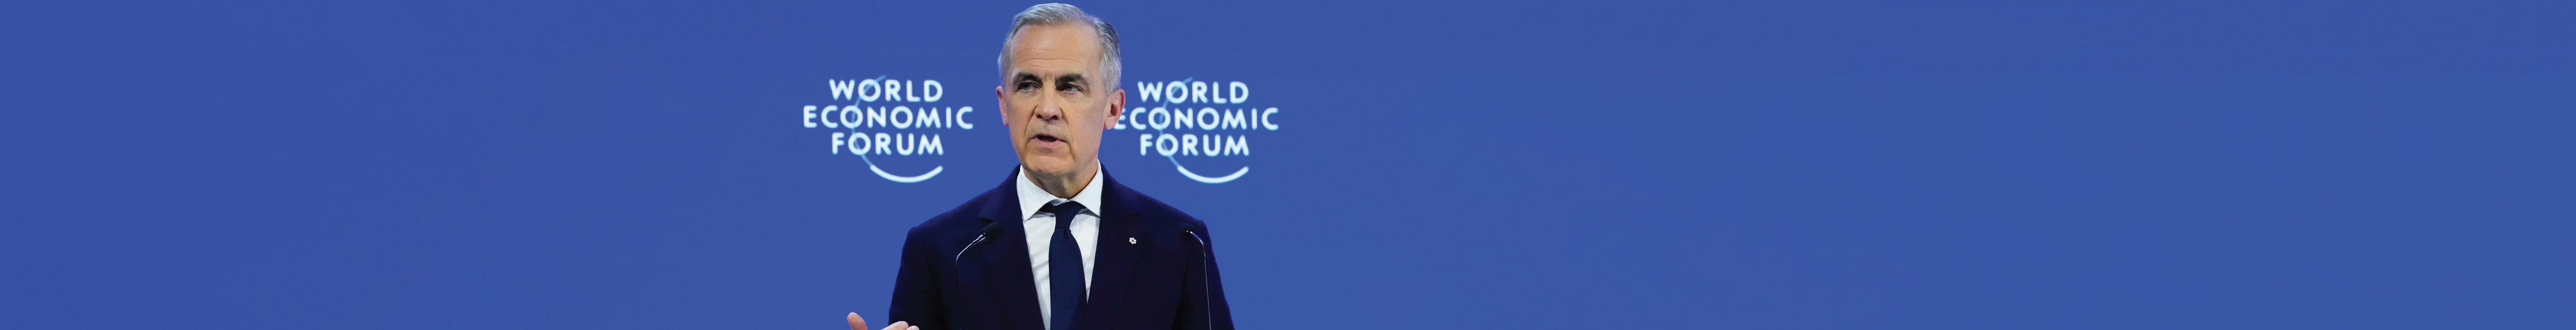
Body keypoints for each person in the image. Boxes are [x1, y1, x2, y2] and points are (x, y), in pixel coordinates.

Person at [846, 4, 1233, 330]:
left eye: (1070, 87)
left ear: (1113, 109)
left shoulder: (1180, 244)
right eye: (1028, 85)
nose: (1047, 109)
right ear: (1004, 105)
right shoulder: (943, 250)